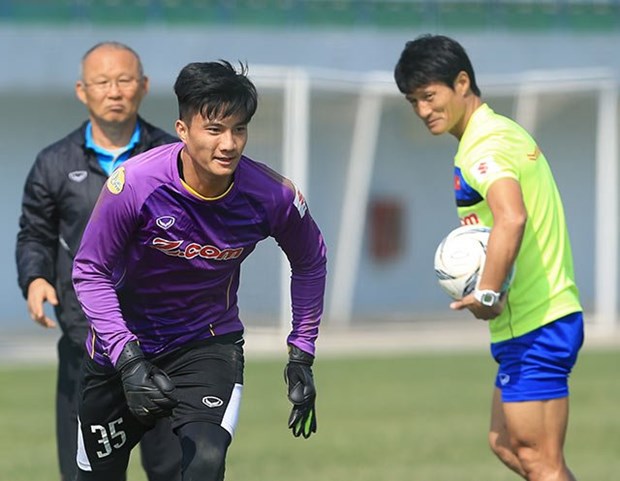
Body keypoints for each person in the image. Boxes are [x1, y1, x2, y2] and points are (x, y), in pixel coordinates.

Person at [70, 60, 327, 481]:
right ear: (183, 129)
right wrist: (128, 359)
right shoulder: (133, 185)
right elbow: (90, 270)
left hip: (207, 345)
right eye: (214, 129)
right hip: (121, 351)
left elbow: (311, 259)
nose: (229, 143)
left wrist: (302, 353)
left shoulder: (273, 197)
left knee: (205, 463)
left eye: (239, 129)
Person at [394, 35, 584, 481]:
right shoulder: (498, 132)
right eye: (413, 101)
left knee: (541, 461)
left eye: (429, 96)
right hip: (533, 322)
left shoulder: (485, 146)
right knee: (506, 444)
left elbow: (511, 217)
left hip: (538, 322)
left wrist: (487, 292)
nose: (423, 110)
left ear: (462, 83)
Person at [15, 41, 182, 481]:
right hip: (84, 339)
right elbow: (35, 231)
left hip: (162, 341)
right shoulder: (54, 164)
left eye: (125, 80)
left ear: (143, 87)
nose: (114, 91)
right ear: (81, 90)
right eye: (102, 82)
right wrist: (34, 278)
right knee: (86, 474)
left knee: (177, 470)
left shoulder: (173, 158)